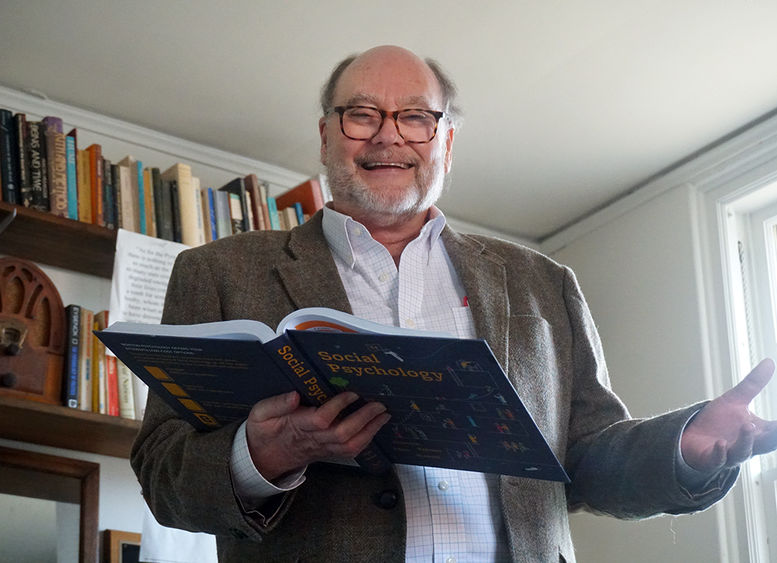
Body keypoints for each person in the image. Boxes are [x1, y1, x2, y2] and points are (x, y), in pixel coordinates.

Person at [131, 45, 777, 562]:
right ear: (326, 135)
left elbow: (586, 458)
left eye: (415, 116)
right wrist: (264, 453)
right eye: (361, 114)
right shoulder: (215, 272)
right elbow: (163, 469)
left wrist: (686, 444)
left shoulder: (543, 283)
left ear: (446, 143)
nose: (388, 137)